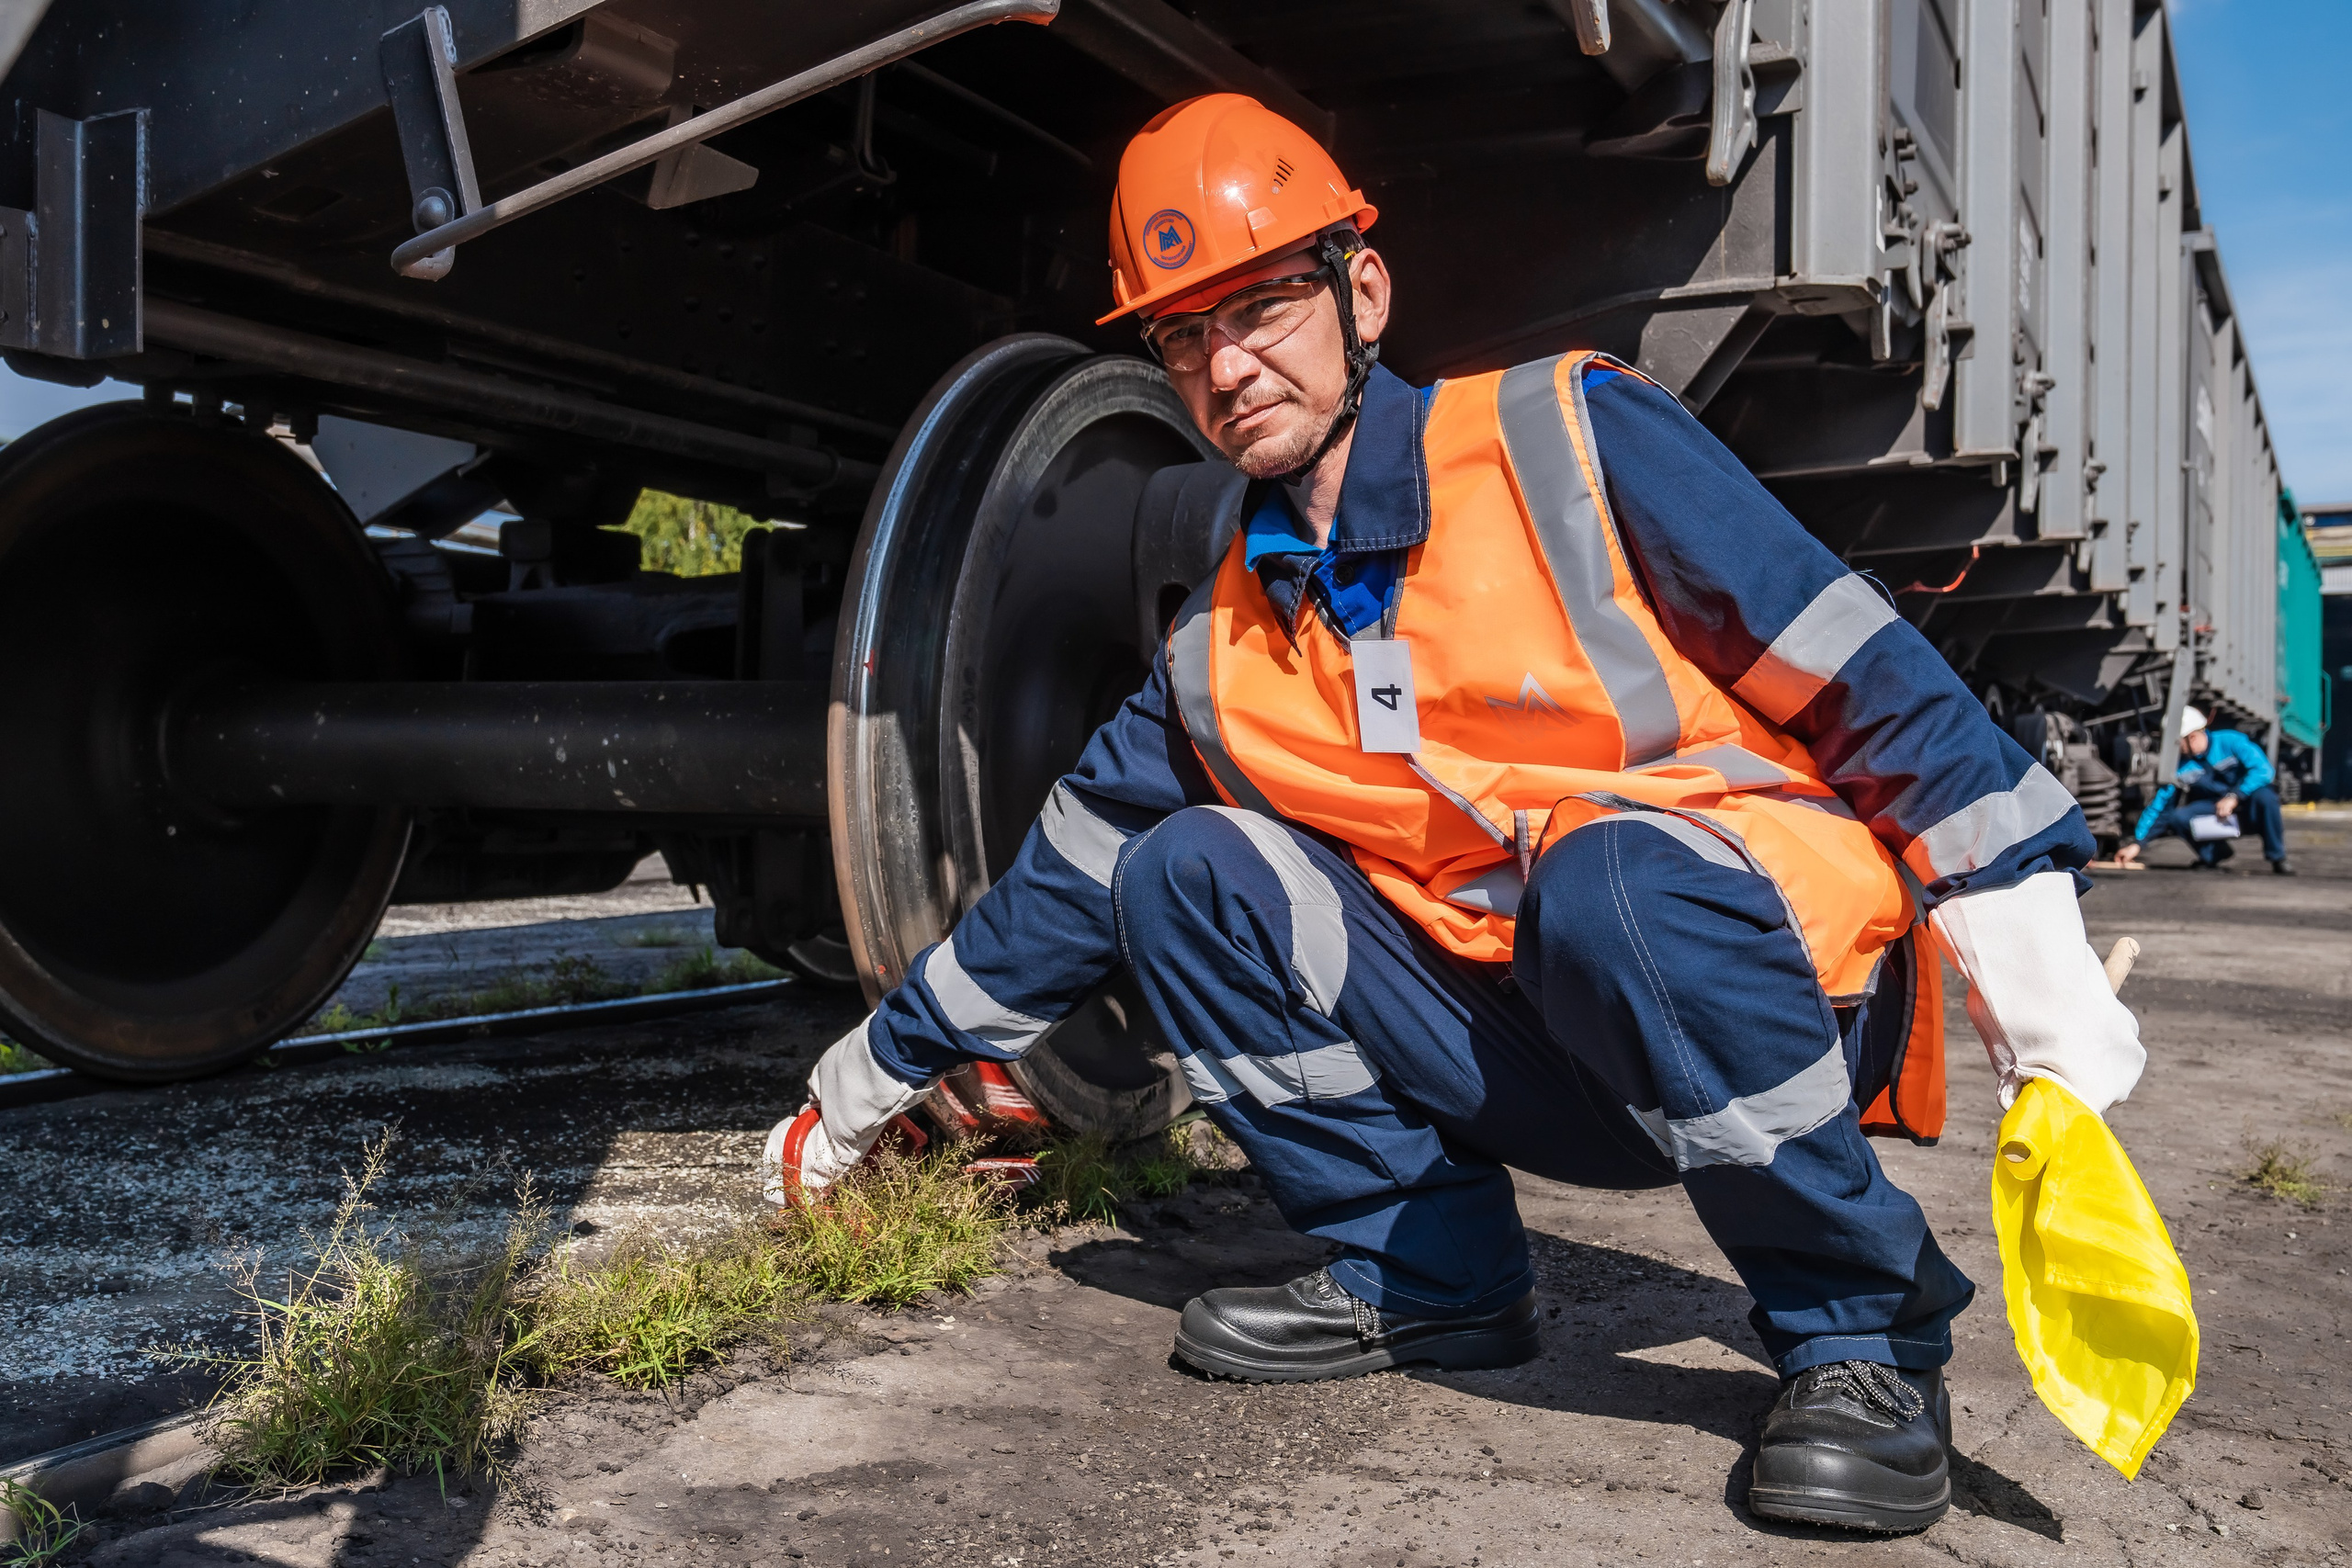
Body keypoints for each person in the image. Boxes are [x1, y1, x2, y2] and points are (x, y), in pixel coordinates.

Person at [760, 96, 2144, 1534]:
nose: (1228, 366)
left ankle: (1863, 1329)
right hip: (1536, 1041)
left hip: (1764, 987)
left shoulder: (1571, 440)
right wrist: (856, 1087)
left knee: (1610, 875)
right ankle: (1425, 1270)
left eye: (1262, 307)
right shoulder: (1221, 647)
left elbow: (1858, 662)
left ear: (1361, 290)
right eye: (1183, 337)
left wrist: (2026, 939)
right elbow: (1063, 884)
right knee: (1181, 871)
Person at [2115, 705, 2291, 874]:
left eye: (2176, 743)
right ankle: (2214, 854)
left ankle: (2277, 857)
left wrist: (2235, 796)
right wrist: (2138, 843)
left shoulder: (2231, 741)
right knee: (2179, 818)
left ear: (2191, 737)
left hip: (2248, 808)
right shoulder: (2181, 767)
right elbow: (2161, 804)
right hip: (2216, 812)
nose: (2174, 749)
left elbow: (2263, 770)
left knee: (2266, 797)